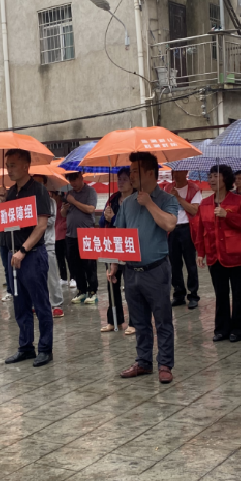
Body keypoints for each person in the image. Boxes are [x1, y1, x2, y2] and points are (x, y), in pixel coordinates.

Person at [111, 152, 179, 384]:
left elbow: (169, 224)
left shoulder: (166, 199)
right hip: (131, 271)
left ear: (150, 173)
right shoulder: (127, 203)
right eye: (130, 171)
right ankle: (143, 361)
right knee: (139, 321)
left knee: (162, 320)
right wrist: (114, 264)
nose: (130, 176)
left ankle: (165, 364)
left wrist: (149, 203)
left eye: (135, 172)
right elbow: (120, 235)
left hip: (156, 270)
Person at [3, 149, 55, 367]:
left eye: (13, 165)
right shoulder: (10, 192)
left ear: (26, 166)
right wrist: (3, 202)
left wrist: (23, 250)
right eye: (7, 165)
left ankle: (45, 348)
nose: (9, 170)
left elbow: (41, 226)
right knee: (20, 303)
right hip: (13, 254)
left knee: (40, 303)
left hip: (31, 255)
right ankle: (25, 347)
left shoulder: (38, 190)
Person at [193, 165, 241, 343]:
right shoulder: (205, 203)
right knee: (220, 294)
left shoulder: (239, 201)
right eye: (210, 176)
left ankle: (239, 330)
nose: (211, 180)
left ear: (226, 179)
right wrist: (200, 252)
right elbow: (200, 230)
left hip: (237, 256)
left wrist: (227, 215)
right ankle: (221, 329)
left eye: (215, 176)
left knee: (239, 294)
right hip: (215, 256)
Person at [99, 167, 135, 333]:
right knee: (112, 283)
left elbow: (131, 224)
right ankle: (114, 320)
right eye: (119, 179)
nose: (120, 182)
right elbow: (102, 223)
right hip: (112, 245)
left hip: (129, 246)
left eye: (124, 179)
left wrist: (114, 218)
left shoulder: (136, 199)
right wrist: (105, 216)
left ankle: (134, 321)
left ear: (132, 181)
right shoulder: (113, 199)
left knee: (131, 285)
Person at [163, 170, 202, 309]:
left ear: (185, 171)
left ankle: (193, 295)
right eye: (174, 172)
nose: (176, 174)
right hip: (172, 229)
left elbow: (194, 210)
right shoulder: (167, 188)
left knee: (190, 263)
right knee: (174, 264)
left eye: (179, 172)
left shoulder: (194, 189)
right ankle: (178, 294)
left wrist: (178, 198)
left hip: (187, 229)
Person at [61, 172, 99, 304]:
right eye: (70, 180)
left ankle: (92, 291)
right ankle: (81, 290)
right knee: (74, 265)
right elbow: (63, 214)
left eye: (75, 179)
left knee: (89, 265)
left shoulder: (90, 191)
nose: (73, 183)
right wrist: (65, 208)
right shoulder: (69, 194)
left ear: (81, 177)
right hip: (71, 235)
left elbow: (90, 209)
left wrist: (74, 201)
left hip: (87, 235)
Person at [33, 175, 65, 319]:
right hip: (32, 244)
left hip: (48, 243)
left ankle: (57, 304)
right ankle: (39, 302)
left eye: (40, 183)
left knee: (51, 275)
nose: (38, 186)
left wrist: (35, 218)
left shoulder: (50, 201)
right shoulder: (28, 202)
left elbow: (50, 221)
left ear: (45, 184)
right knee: (35, 276)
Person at [0, 187, 14, 302]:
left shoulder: (13, 204)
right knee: (6, 267)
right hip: (2, 240)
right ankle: (9, 290)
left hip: (12, 240)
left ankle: (17, 290)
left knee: (14, 267)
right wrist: (1, 201)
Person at [52, 191, 73, 288]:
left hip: (65, 233)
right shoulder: (52, 205)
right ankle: (63, 278)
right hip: (56, 235)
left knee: (69, 257)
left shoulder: (65, 203)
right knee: (59, 258)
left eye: (52, 195)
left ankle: (73, 278)